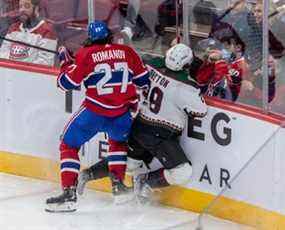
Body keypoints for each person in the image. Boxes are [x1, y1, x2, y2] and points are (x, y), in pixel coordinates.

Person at [76, 43, 207, 201]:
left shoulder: (149, 67)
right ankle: (144, 182)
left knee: (130, 163)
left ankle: (87, 174)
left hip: (138, 126)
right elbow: (200, 111)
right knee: (182, 172)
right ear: (187, 64)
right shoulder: (185, 87)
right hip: (161, 133)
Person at [45, 20, 150, 212]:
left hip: (94, 111)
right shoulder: (127, 52)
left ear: (90, 38)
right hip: (122, 114)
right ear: (110, 36)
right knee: (118, 143)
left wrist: (65, 61)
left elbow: (66, 83)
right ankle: (119, 188)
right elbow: (143, 80)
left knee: (68, 144)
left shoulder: (86, 54)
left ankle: (69, 193)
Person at [0, 0, 57, 66]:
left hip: (31, 74)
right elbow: (3, 53)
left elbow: (46, 62)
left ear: (36, 9)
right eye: (20, 6)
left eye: (27, 6)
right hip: (9, 71)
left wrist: (22, 68)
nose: (22, 10)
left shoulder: (47, 30)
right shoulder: (13, 28)